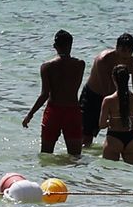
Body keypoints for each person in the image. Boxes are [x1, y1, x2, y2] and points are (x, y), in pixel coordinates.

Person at [21, 30, 85, 158]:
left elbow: (44, 94)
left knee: (46, 155)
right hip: (72, 111)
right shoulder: (80, 64)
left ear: (55, 46)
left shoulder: (47, 67)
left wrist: (30, 114)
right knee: (75, 157)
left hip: (54, 112)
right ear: (71, 44)